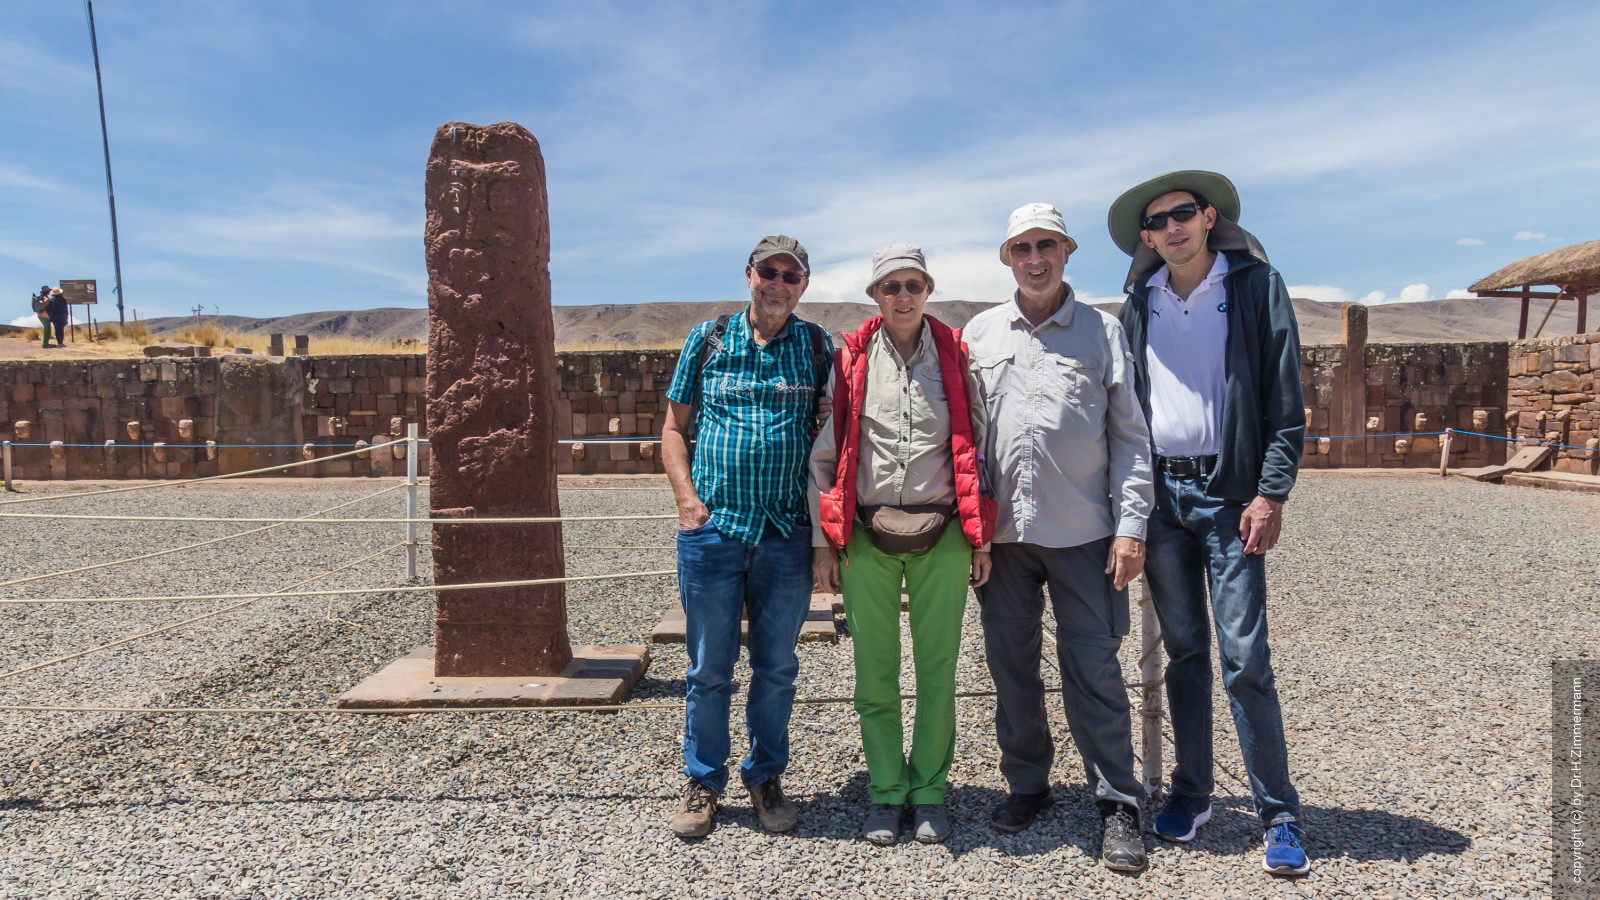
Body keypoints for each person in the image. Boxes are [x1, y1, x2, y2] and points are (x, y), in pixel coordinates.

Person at [1107, 170, 1309, 876]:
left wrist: (1271, 492)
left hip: (1230, 495)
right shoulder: (1141, 301)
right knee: (1185, 650)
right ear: (1147, 236)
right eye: (1158, 221)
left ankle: (1277, 812)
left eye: (1184, 213)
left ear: (1208, 216)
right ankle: (1192, 791)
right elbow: (1126, 407)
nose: (1173, 227)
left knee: (1245, 656)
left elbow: (1284, 397)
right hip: (1162, 496)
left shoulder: (1253, 286)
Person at [964, 203, 1154, 872]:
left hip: (1085, 533)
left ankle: (1118, 801)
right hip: (1003, 538)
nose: (1035, 258)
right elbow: (964, 437)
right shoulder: (981, 333)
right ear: (1007, 258)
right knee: (1011, 666)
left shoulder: (1102, 331)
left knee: (1093, 667)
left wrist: (1131, 528)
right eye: (1022, 248)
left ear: (1067, 251)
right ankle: (1027, 784)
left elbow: (1130, 436)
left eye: (1046, 245)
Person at [808, 244, 996, 846]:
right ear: (875, 296)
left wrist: (981, 538)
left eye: (914, 284)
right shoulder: (851, 359)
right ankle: (887, 790)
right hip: (867, 535)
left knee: (939, 669)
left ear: (928, 290)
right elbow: (826, 455)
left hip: (945, 534)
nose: (904, 296)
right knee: (875, 670)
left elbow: (979, 449)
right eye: (891, 286)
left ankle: (931, 790)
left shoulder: (955, 355)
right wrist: (824, 543)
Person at [659, 235, 833, 839]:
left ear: (803, 285)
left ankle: (765, 776)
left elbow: (835, 430)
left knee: (777, 666)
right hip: (715, 530)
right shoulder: (707, 340)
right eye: (769, 271)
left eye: (791, 275)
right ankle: (703, 780)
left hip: (786, 530)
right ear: (750, 274)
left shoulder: (817, 346)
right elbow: (674, 428)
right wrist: (687, 501)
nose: (778, 284)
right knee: (709, 667)